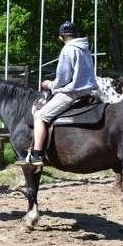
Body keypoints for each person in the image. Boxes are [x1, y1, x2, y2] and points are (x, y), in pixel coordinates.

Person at [17, 21, 97, 167]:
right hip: (89, 91)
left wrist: (50, 85)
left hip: (71, 93)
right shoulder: (85, 49)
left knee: (40, 116)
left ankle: (36, 155)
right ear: (77, 34)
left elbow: (63, 78)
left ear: (61, 37)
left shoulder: (68, 49)